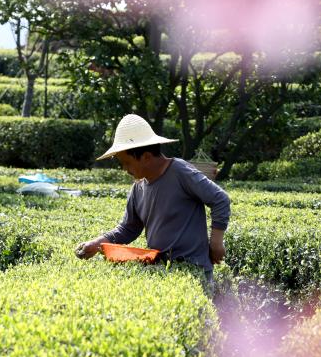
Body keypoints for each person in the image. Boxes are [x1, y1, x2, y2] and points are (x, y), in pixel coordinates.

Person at [76, 114, 231, 285]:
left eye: (127, 162)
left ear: (146, 157)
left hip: (194, 269)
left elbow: (220, 199)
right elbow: (128, 228)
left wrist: (216, 243)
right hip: (161, 268)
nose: (124, 169)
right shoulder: (138, 187)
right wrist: (97, 243)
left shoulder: (180, 172)